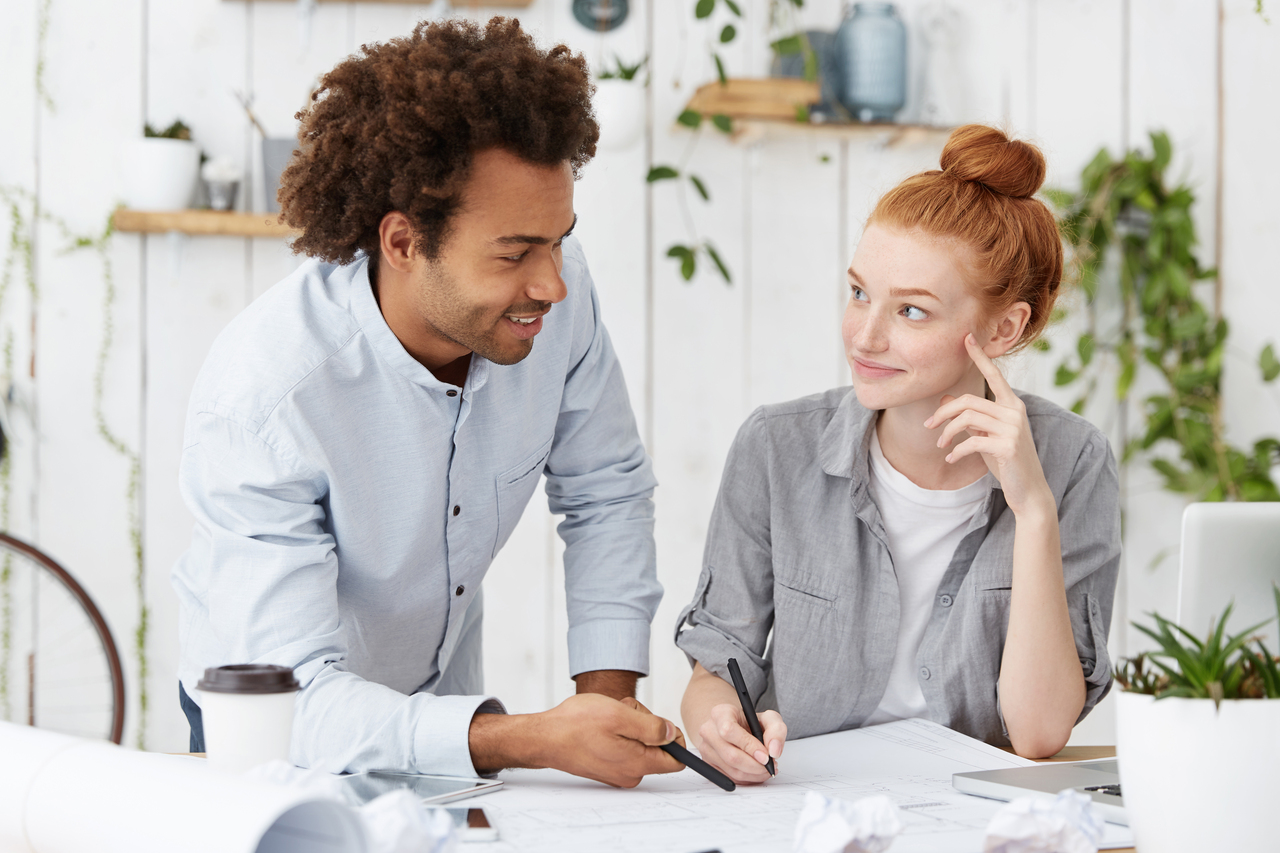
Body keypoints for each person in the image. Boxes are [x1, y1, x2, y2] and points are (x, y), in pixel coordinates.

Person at [171, 17, 685, 788]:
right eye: (515, 252)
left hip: (441, 709)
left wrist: (605, 712)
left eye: (558, 238)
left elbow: (606, 491)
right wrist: (531, 738)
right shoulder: (268, 399)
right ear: (404, 242)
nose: (552, 283)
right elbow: (294, 700)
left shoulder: (554, 299)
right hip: (275, 730)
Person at [675, 125, 1121, 784]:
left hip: (969, 823)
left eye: (912, 311)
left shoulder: (1074, 461)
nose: (866, 335)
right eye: (860, 293)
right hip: (800, 809)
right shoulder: (775, 448)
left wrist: (1032, 510)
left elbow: (1038, 732)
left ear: (1004, 328)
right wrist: (718, 724)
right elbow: (717, 668)